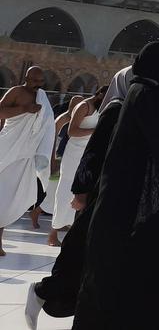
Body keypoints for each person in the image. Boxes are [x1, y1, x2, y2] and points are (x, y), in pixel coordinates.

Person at [72, 42, 159, 330]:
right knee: (145, 264)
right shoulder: (147, 94)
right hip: (132, 199)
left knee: (131, 266)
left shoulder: (141, 92)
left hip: (128, 195)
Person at [26, 93, 128, 328]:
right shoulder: (112, 110)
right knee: (83, 246)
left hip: (114, 189)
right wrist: (81, 189)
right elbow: (72, 131)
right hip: (91, 177)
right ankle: (44, 289)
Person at [0, 66, 54, 257]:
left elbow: (47, 128)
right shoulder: (16, 92)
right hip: (6, 148)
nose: (37, 85)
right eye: (34, 81)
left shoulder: (42, 98)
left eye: (40, 82)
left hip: (24, 155)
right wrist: (24, 109)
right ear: (26, 78)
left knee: (8, 199)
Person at [48, 85, 108, 247]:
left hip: (89, 154)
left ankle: (73, 230)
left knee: (83, 191)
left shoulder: (103, 109)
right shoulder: (84, 106)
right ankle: (53, 233)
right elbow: (72, 131)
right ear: (99, 95)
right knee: (65, 190)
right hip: (74, 154)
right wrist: (95, 131)